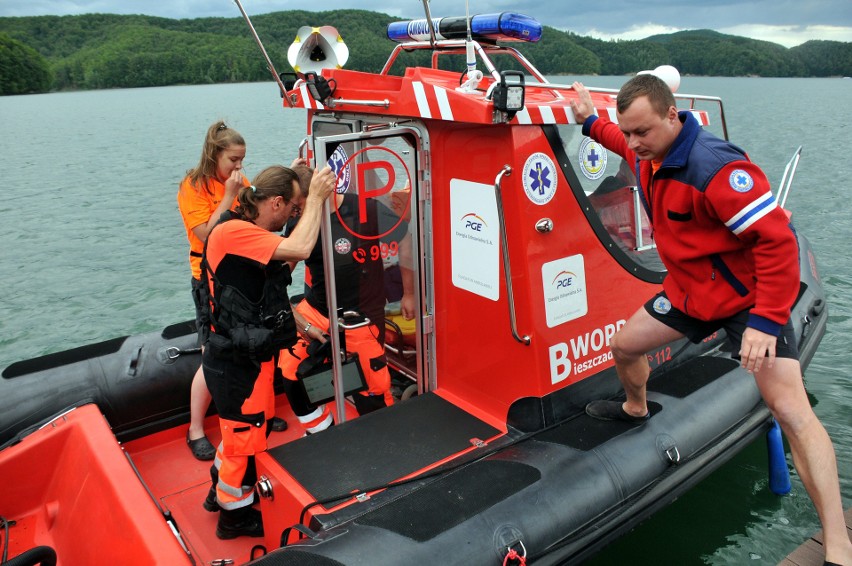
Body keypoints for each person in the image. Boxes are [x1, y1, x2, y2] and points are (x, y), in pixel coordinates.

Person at [570, 74, 852, 566]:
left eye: (643, 132)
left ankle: (838, 541)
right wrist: (589, 121)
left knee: (790, 411)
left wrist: (765, 323)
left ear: (672, 116)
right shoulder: (647, 151)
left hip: (748, 302)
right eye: (628, 133)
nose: (634, 144)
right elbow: (622, 140)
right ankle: (637, 408)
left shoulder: (715, 170)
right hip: (689, 294)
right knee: (624, 345)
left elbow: (778, 243)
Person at [199, 164, 335, 539]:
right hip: (236, 365)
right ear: (274, 202)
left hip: (246, 358)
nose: (294, 215)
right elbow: (302, 247)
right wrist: (318, 198)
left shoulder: (243, 226)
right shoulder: (235, 232)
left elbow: (282, 264)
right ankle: (234, 518)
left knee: (240, 434)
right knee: (245, 441)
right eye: (291, 208)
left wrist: (296, 175)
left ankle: (219, 492)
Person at [177, 120, 290, 461]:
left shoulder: (242, 181)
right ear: (215, 155)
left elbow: (254, 216)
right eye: (234, 161)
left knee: (256, 341)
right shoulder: (193, 187)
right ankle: (195, 427)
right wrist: (228, 196)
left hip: (243, 275)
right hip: (209, 279)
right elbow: (206, 236)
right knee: (213, 351)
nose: (240, 168)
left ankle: (261, 413)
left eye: (243, 160)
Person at [277, 168, 415, 434]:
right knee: (291, 371)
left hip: (359, 316)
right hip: (317, 310)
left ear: (321, 193)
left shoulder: (366, 210)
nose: (296, 212)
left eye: (301, 204)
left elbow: (405, 239)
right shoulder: (301, 220)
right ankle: (321, 430)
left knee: (374, 390)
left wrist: (408, 293)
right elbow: (287, 261)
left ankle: (383, 441)